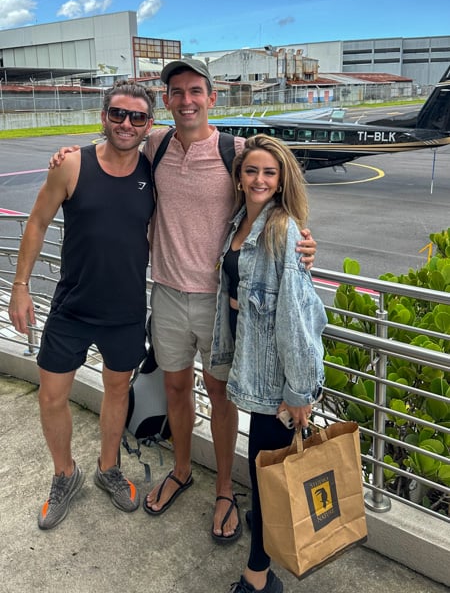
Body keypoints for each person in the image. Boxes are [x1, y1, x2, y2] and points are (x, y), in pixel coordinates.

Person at [51, 58, 317, 543]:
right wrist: (70, 152)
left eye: (196, 91)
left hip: (219, 302)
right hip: (168, 294)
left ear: (212, 98)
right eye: (177, 92)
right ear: (166, 101)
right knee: (175, 388)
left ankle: (222, 489)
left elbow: (273, 189)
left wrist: (302, 238)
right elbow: (113, 144)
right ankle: (180, 469)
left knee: (219, 395)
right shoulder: (157, 143)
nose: (187, 100)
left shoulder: (233, 151)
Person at [8, 80, 155, 530]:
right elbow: (36, 222)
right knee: (51, 397)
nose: (125, 124)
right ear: (103, 115)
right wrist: (20, 285)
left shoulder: (154, 169)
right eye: (116, 114)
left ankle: (107, 467)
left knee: (116, 391)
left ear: (149, 124)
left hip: (125, 309)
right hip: (71, 306)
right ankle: (64, 474)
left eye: (136, 117)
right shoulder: (72, 165)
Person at [210, 134, 327, 593]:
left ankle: (258, 577)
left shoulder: (284, 230)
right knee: (264, 470)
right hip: (250, 368)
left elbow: (296, 316)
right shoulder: (239, 223)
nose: (259, 179)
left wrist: (300, 392)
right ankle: (269, 537)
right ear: (239, 178)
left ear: (281, 181)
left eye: (269, 172)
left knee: (263, 476)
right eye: (251, 171)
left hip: (277, 380)